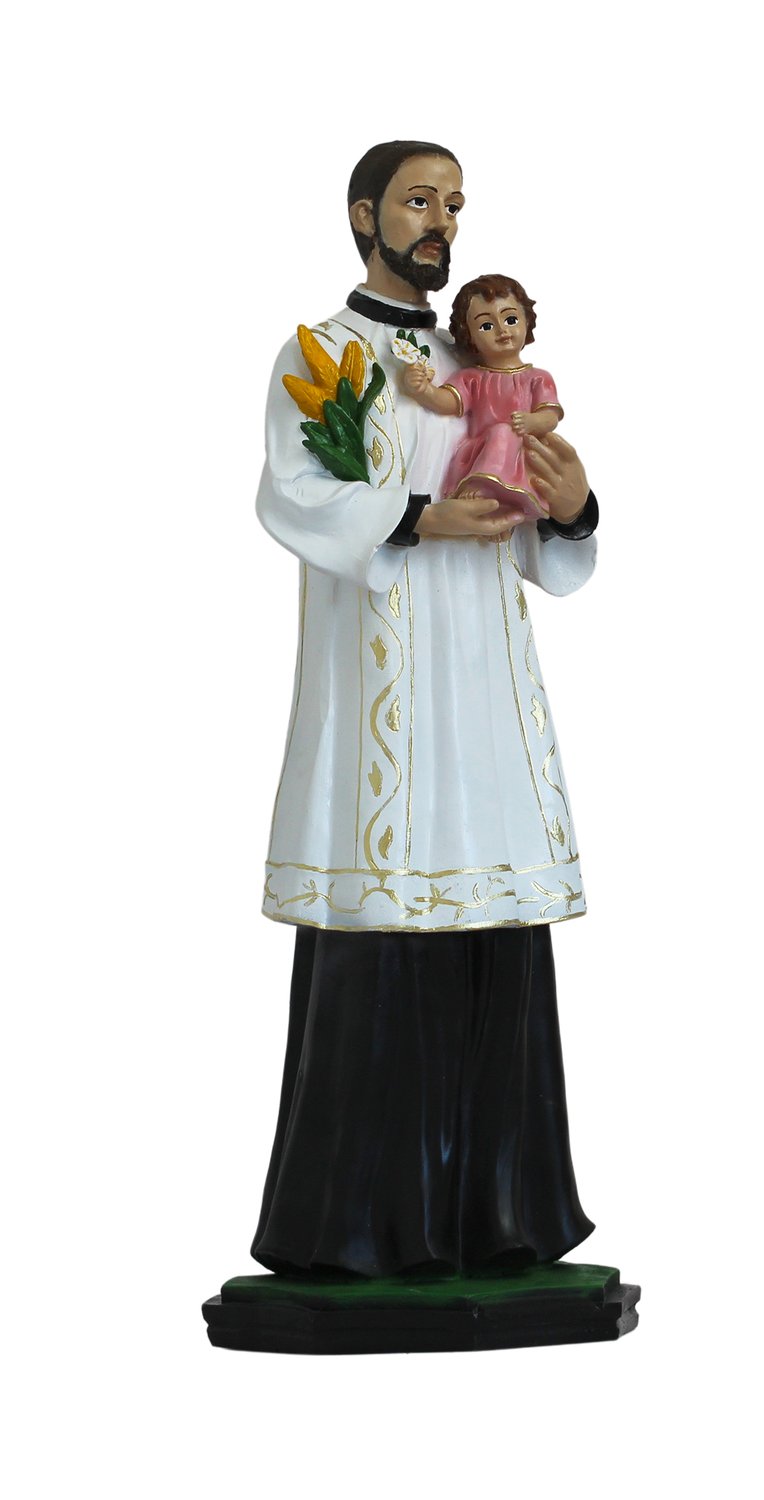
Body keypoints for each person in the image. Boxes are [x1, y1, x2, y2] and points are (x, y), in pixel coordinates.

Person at [251, 141, 603, 1279]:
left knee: (491, 919)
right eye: (417, 200)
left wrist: (572, 505)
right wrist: (412, 517)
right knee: (381, 918)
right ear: (366, 216)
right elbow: (294, 493)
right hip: (384, 678)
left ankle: (501, 1216)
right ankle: (362, 1230)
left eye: (452, 202)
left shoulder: (482, 365)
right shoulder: (325, 355)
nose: (440, 220)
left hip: (483, 678)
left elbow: (540, 542)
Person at [400, 273, 562, 520]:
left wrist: (533, 421)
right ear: (469, 336)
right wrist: (424, 390)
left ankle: (501, 498)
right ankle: (483, 485)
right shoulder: (472, 378)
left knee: (505, 433)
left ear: (527, 320)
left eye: (510, 319)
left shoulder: (538, 378)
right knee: (501, 432)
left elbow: (550, 416)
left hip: (521, 458)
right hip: (481, 454)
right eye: (486, 326)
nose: (502, 330)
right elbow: (448, 403)